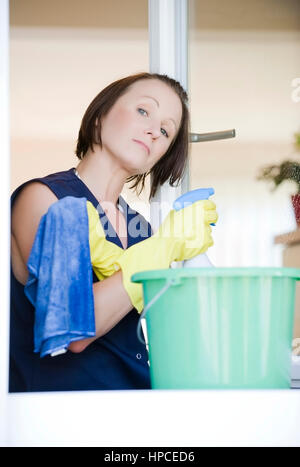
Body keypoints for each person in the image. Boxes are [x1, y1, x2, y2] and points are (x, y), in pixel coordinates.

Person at [10, 72, 217, 392]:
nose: (153, 131)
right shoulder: (45, 199)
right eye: (143, 111)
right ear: (99, 116)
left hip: (134, 402)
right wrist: (165, 246)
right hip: (58, 412)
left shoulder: (142, 231)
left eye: (165, 131)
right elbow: (74, 332)